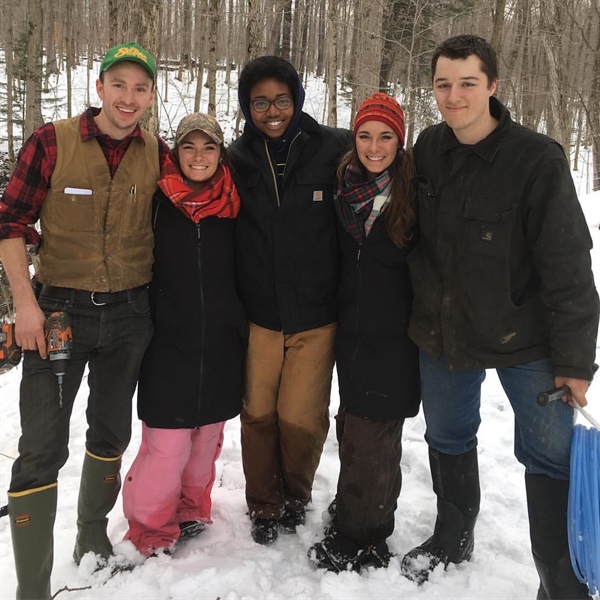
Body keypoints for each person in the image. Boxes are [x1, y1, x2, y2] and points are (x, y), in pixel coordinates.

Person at [400, 35, 599, 600]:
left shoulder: (537, 159)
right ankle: (451, 535)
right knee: (447, 433)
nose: (454, 95)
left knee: (550, 455)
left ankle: (560, 582)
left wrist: (575, 361)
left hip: (525, 338)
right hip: (444, 334)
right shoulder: (430, 148)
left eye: (467, 83)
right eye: (443, 84)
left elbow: (568, 266)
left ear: (492, 85)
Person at [0, 42, 169, 600]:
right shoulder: (52, 142)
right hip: (58, 316)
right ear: (99, 89)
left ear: (150, 96)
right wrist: (26, 304)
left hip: (130, 315)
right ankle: (31, 586)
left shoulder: (156, 153)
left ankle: (91, 540)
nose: (128, 97)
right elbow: (11, 224)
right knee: (42, 446)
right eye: (118, 85)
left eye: (140, 88)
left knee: (112, 430)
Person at [228, 55, 351, 545]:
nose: (272, 111)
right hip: (259, 313)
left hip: (316, 314)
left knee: (300, 417)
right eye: (260, 102)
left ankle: (296, 495)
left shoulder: (334, 148)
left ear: (297, 98)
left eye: (281, 99)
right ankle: (264, 503)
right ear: (247, 106)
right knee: (258, 414)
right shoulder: (236, 159)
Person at [121, 113, 246, 557]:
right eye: (189, 147)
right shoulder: (157, 200)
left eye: (208, 147)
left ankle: (192, 509)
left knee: (207, 437)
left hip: (220, 341)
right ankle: (150, 527)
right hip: (167, 338)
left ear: (220, 153)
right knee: (167, 443)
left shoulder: (235, 204)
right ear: (175, 153)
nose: (199, 156)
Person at [306, 93, 421, 573]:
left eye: (386, 136)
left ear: (401, 139)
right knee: (353, 426)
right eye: (365, 136)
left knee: (373, 435)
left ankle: (362, 537)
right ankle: (358, 508)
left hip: (394, 337)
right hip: (352, 330)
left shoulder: (415, 194)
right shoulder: (344, 184)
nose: (375, 147)